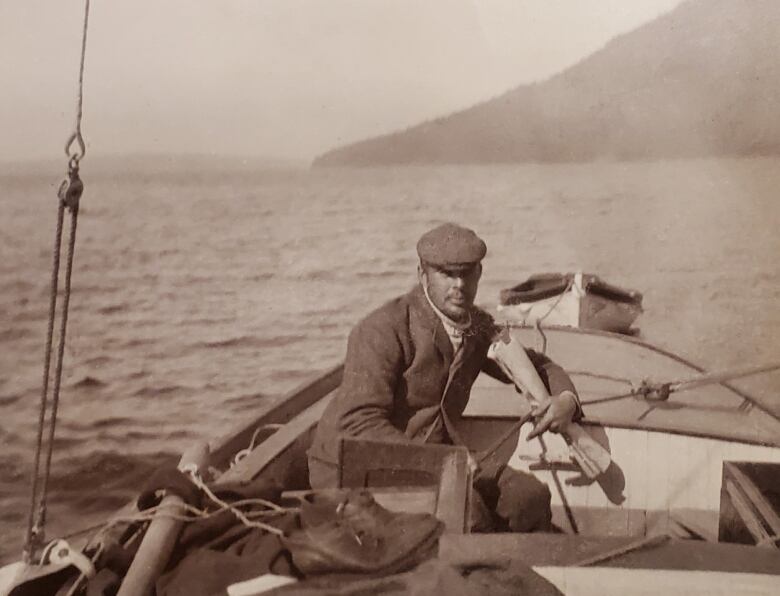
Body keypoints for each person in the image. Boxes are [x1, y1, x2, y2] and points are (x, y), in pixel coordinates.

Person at [307, 223, 581, 532]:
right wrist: (445, 461)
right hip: (360, 468)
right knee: (469, 515)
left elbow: (541, 367)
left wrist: (565, 402)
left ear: (479, 273)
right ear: (422, 274)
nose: (459, 285)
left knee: (529, 497)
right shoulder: (382, 329)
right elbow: (358, 424)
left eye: (467, 273)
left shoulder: (477, 326)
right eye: (447, 274)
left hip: (442, 463)